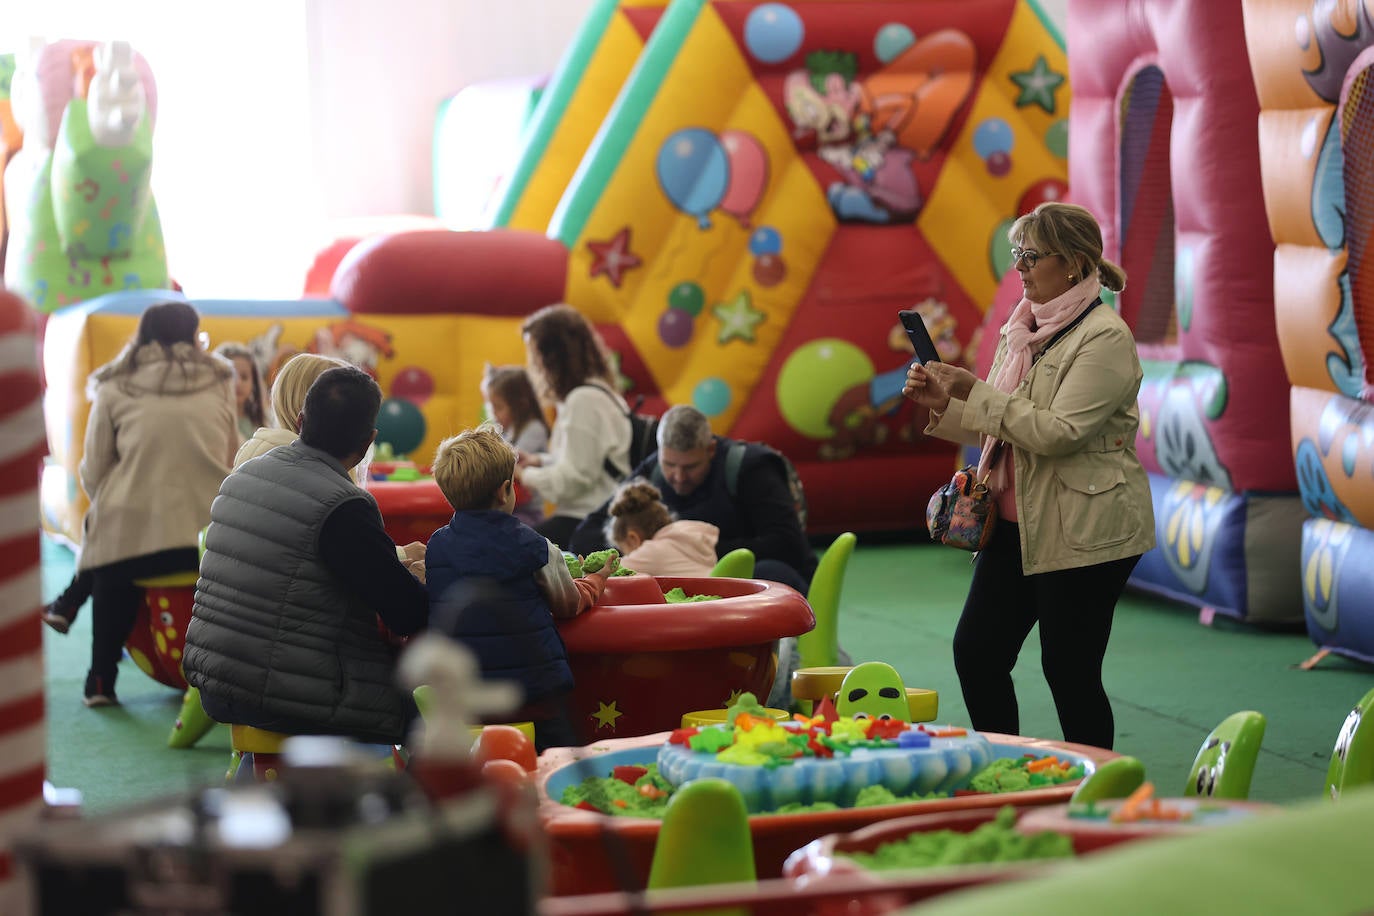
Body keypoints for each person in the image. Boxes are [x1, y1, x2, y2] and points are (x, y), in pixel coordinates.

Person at [901, 201, 1155, 750]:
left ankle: (1096, 795)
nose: (1018, 266)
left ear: (1072, 263)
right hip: (1015, 524)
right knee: (977, 652)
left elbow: (1058, 432)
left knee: (1070, 673)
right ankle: (1004, 776)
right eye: (1017, 254)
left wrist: (975, 390)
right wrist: (945, 402)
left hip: (1086, 530)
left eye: (1029, 256)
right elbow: (1005, 425)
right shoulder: (1023, 329)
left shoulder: (1105, 338)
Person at [183, 365, 429, 746]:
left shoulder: (242, 476)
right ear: (368, 443)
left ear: (299, 422)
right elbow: (407, 612)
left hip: (215, 682)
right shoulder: (345, 504)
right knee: (424, 718)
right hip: (288, 696)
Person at [56, 300, 239, 706]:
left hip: (131, 545)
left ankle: (100, 679)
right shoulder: (219, 378)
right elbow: (231, 453)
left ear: (143, 337)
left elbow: (95, 467)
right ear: (194, 336)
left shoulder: (114, 384)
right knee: (117, 530)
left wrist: (110, 498)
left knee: (112, 553)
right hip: (209, 538)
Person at [425, 424, 615, 752]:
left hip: (467, 696)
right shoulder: (536, 546)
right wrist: (596, 579)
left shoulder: (437, 546)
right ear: (504, 491)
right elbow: (567, 603)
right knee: (556, 757)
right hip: (533, 694)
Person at [569, 405, 816, 592]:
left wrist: (694, 550)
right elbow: (586, 533)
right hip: (706, 586)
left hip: (776, 582)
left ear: (710, 450)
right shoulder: (653, 470)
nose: (678, 477)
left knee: (766, 573)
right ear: (659, 453)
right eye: (670, 464)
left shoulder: (751, 468)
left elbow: (788, 543)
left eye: (690, 467)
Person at [516, 304, 630, 548]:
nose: (533, 366)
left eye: (535, 356)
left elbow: (573, 481)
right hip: (591, 516)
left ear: (552, 357)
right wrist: (540, 461)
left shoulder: (584, 400)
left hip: (591, 522)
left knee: (513, 548)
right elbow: (584, 464)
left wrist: (524, 474)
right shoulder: (596, 394)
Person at [480, 363, 550, 527]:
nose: (493, 413)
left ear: (520, 405)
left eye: (499, 407)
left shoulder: (534, 429)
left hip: (526, 512)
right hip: (507, 508)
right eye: (491, 406)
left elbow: (509, 461)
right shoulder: (508, 431)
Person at [604, 478, 718, 577]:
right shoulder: (690, 538)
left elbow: (605, 575)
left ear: (633, 539)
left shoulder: (651, 552)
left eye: (625, 551)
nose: (628, 556)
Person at [214, 341, 268, 443]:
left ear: (254, 382)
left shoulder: (263, 421)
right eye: (231, 376)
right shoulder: (213, 422)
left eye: (244, 377)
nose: (238, 383)